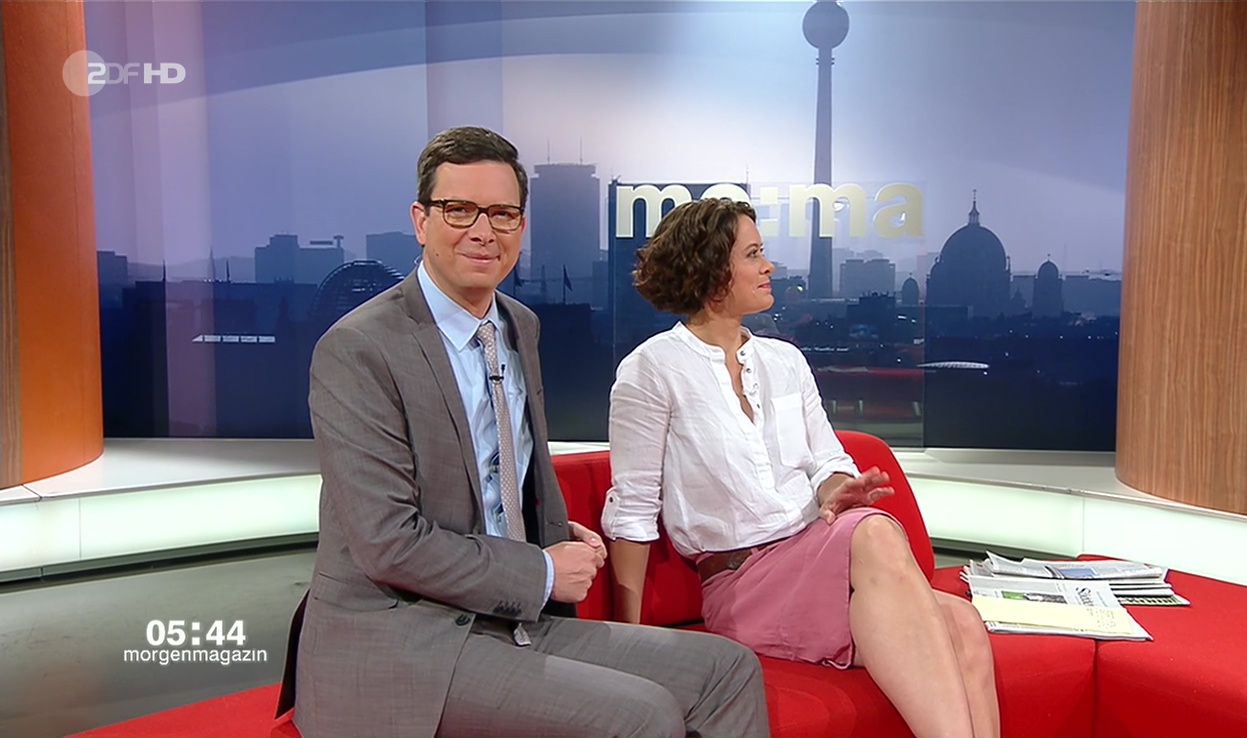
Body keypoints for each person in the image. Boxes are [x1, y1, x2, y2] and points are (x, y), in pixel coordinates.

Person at [278, 128, 769, 738]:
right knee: (641, 714)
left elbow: (504, 473)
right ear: (421, 221)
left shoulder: (519, 326)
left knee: (728, 671)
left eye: (503, 214)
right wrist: (540, 571)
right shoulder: (359, 348)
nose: (483, 231)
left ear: (521, 225)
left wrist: (554, 535)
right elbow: (387, 543)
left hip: (511, 615)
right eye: (459, 210)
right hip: (404, 638)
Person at [603, 198, 1000, 738]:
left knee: (964, 624)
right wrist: (626, 644)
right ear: (711, 269)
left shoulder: (785, 360)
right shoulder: (651, 370)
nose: (769, 266)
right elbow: (632, 511)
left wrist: (838, 489)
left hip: (812, 553)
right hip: (743, 583)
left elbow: (829, 463)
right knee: (877, 534)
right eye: (753, 254)